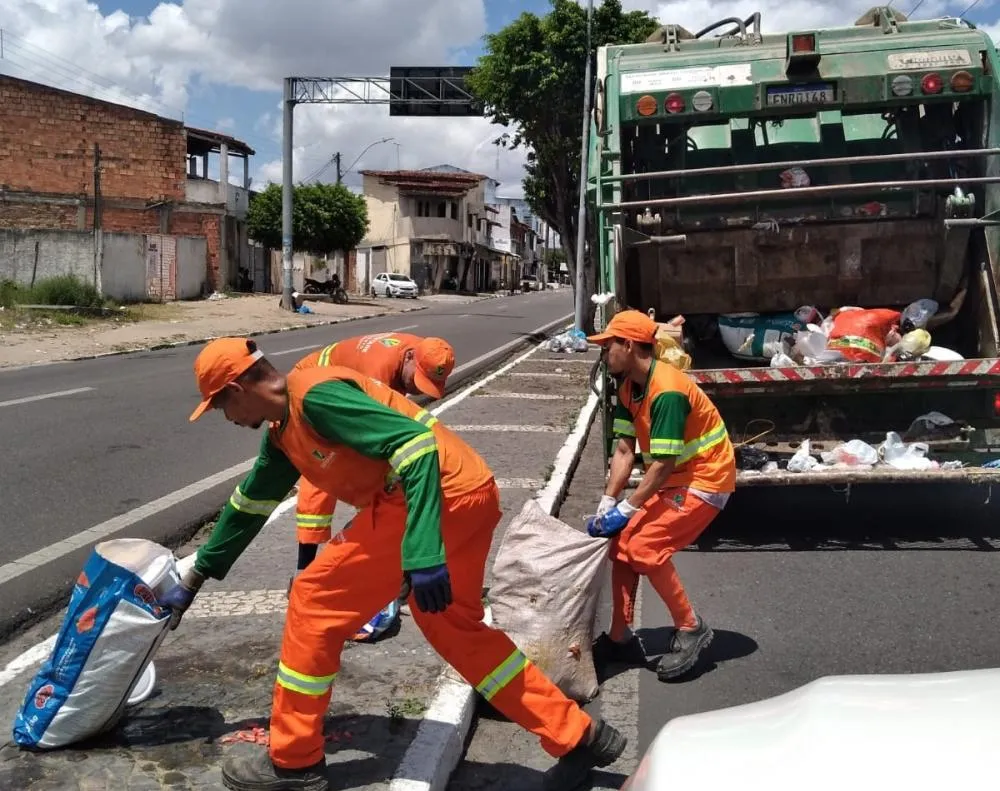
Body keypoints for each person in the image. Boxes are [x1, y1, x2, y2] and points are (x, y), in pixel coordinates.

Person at [161, 337, 626, 791]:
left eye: (220, 406)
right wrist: (197, 574)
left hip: (431, 497)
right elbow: (250, 504)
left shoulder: (314, 397)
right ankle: (578, 736)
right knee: (454, 628)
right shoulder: (284, 430)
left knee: (313, 603)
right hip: (468, 492)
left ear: (237, 389)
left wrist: (422, 551)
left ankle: (295, 760)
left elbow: (416, 447)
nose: (226, 418)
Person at [585, 310, 736, 681]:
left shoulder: (666, 391)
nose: (604, 354)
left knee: (644, 547)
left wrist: (628, 507)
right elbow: (625, 450)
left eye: (608, 346)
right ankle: (619, 637)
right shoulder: (628, 388)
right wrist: (608, 502)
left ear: (629, 345)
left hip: (706, 479)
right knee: (621, 543)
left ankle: (690, 627)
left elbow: (664, 464)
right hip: (677, 479)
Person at [289, 332, 454, 579]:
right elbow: (373, 436)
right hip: (311, 385)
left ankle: (372, 547)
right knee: (324, 466)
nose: (416, 389)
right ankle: (304, 569)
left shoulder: (428, 351)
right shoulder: (379, 370)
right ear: (410, 357)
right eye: (417, 380)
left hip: (340, 383)